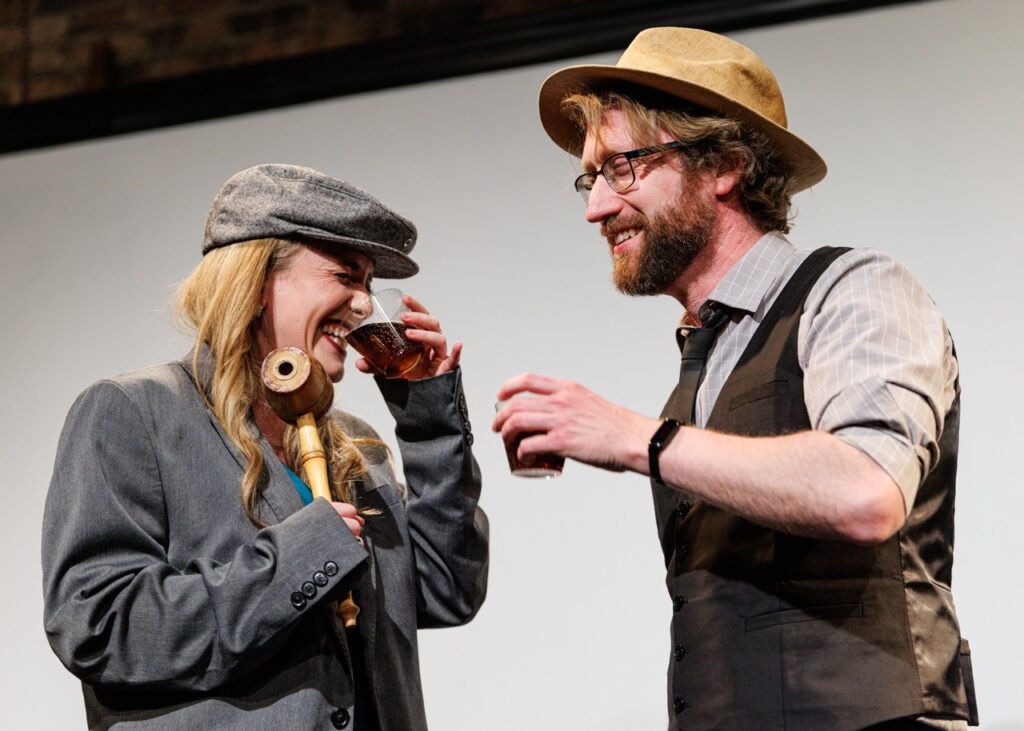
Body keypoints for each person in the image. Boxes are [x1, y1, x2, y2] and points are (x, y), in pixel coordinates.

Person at [492, 27, 977, 730]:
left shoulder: (855, 289)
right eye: (590, 178)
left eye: (622, 167)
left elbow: (867, 489)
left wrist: (636, 438)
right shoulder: (700, 365)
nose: (596, 207)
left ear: (722, 165)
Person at [43, 164, 488, 730]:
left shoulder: (358, 448)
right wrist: (301, 554)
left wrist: (428, 419)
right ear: (256, 283)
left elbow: (447, 589)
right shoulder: (134, 414)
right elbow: (99, 627)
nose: (364, 305)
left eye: (369, 285)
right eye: (345, 276)